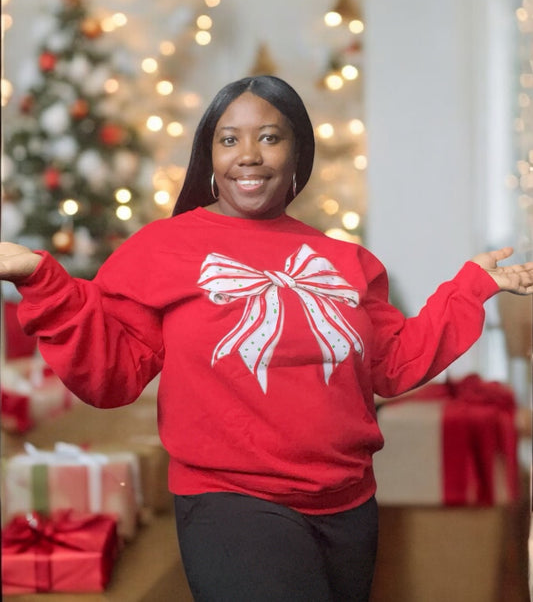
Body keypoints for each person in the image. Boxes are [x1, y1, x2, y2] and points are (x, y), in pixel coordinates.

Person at [1, 74, 532, 602]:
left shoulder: (345, 260)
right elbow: (110, 374)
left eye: (269, 137)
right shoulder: (162, 247)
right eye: (229, 139)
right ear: (209, 155)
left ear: (297, 151)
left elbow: (391, 364)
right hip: (232, 502)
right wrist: (41, 279)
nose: (248, 155)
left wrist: (470, 288)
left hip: (349, 505)